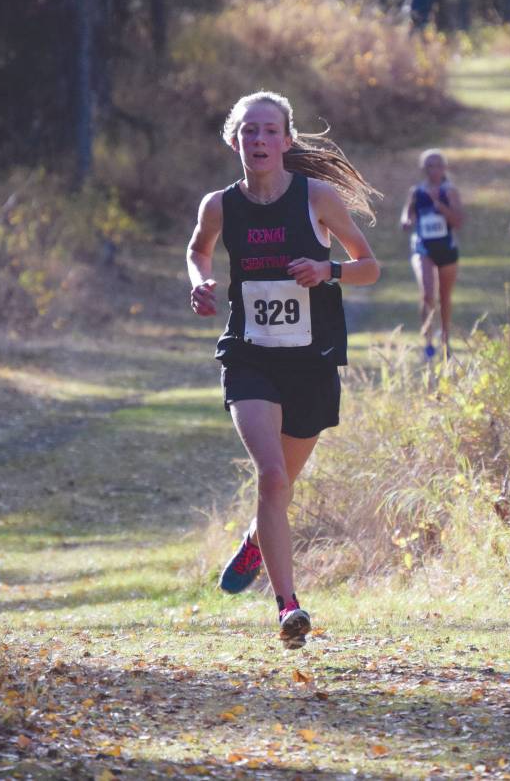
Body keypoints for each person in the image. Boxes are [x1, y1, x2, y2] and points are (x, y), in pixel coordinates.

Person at [187, 91, 380, 649]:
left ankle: (255, 540)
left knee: (282, 486)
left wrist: (329, 270)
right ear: (234, 141)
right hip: (250, 357)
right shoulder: (220, 205)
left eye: (270, 131)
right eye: (249, 131)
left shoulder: (317, 198)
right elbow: (198, 250)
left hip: (311, 363)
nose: (260, 140)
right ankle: (287, 608)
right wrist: (198, 282)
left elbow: (369, 267)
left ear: (287, 141)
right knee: (271, 477)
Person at [400, 149, 464, 359]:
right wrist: (407, 221)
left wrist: (439, 205)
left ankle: (445, 340)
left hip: (446, 248)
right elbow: (406, 216)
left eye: (437, 165)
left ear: (444, 168)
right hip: (423, 247)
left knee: (444, 297)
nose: (433, 169)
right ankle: (427, 343)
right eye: (429, 165)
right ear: (423, 168)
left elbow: (458, 221)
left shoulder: (450, 191)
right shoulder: (416, 191)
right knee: (428, 294)